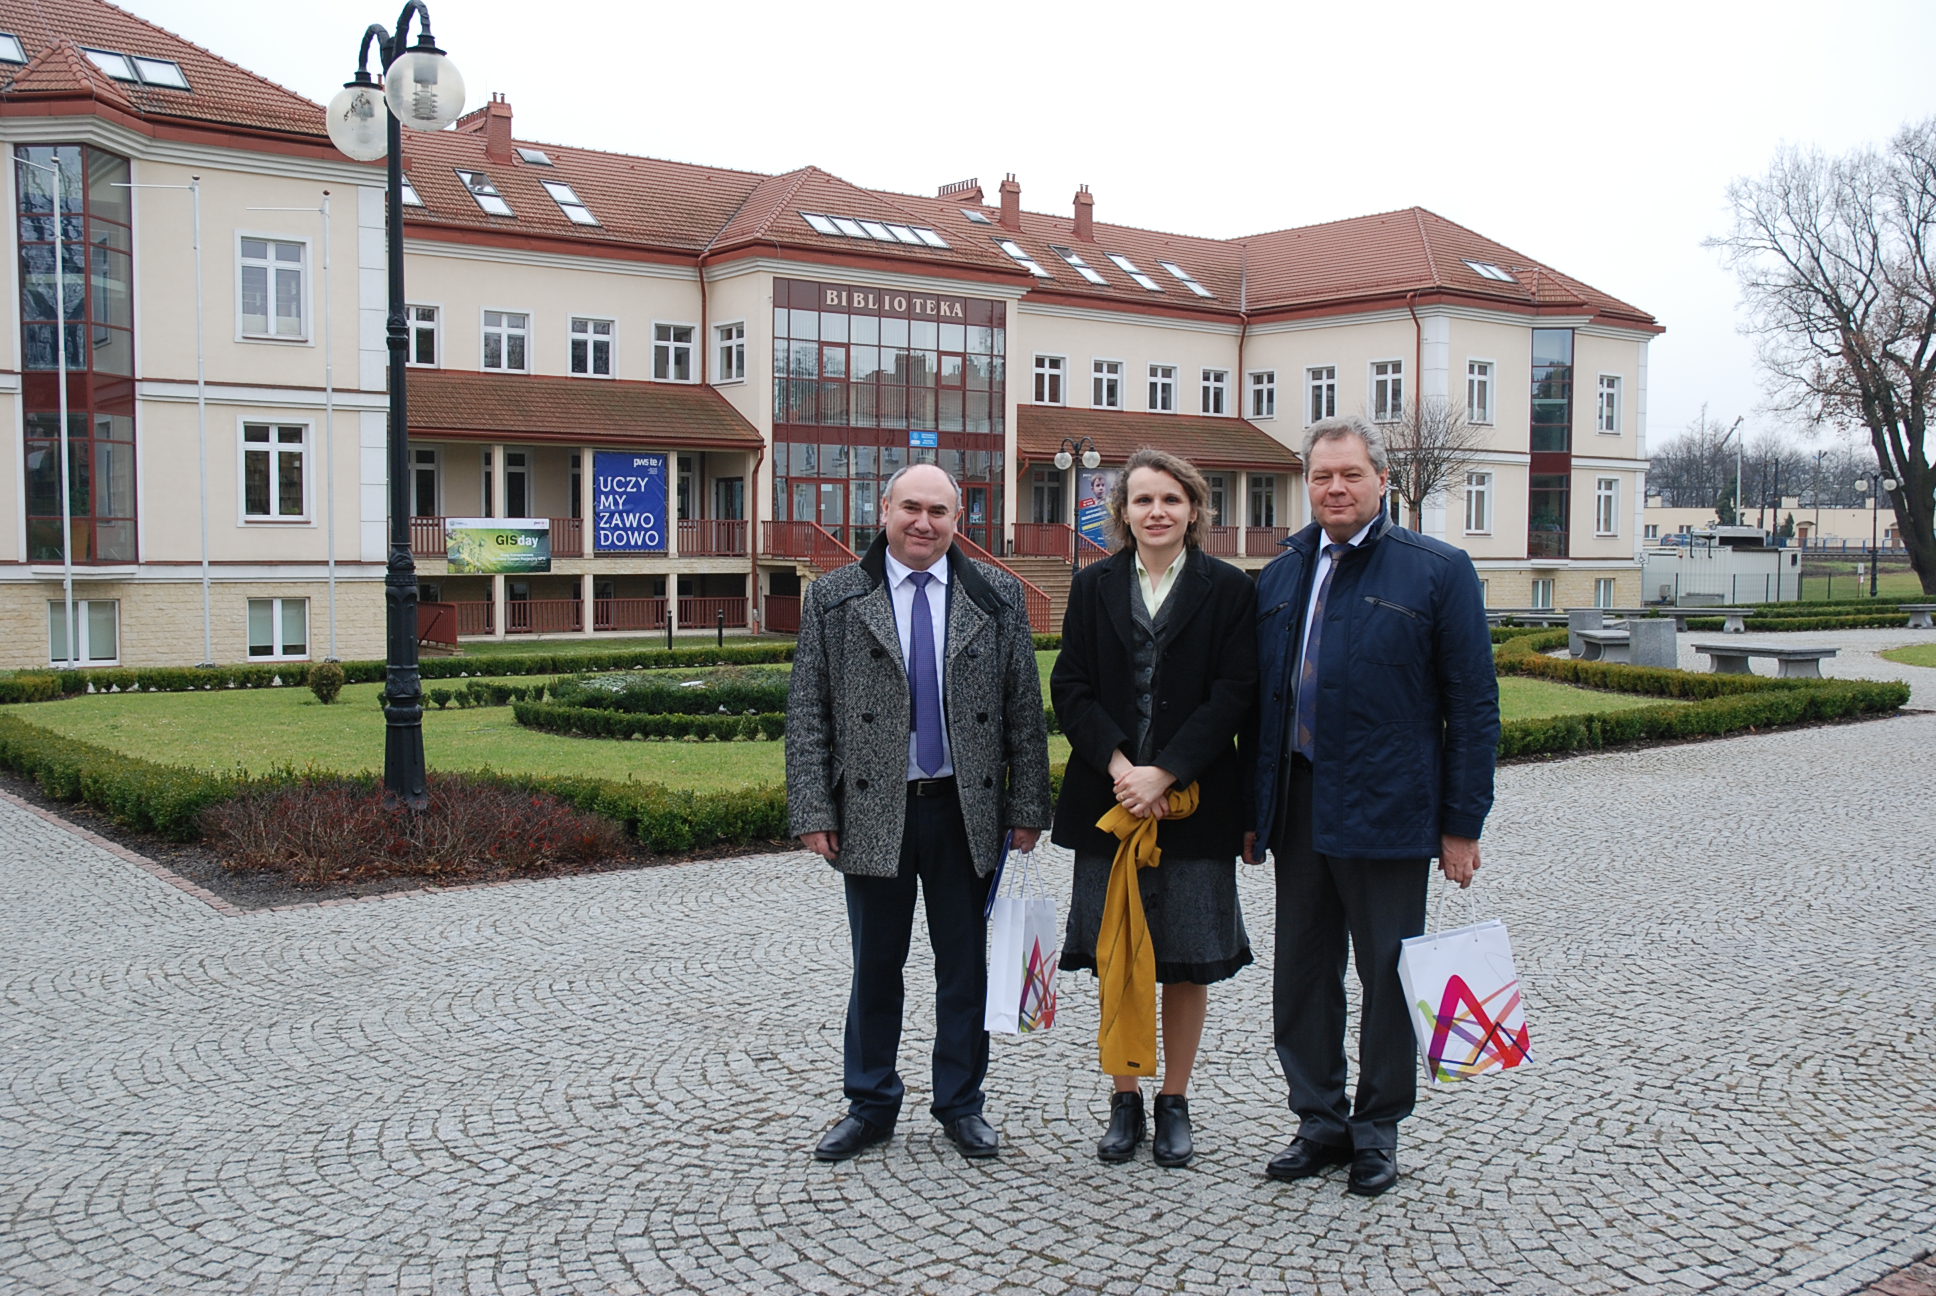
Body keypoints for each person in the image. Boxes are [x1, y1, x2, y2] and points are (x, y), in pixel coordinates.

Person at [1244, 414, 1500, 1197]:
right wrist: (1255, 810)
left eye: (1351, 474)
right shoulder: (1283, 572)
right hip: (1299, 803)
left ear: (1383, 480)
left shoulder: (1437, 570)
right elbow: (1262, 702)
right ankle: (1318, 1118)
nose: (1335, 488)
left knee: (1388, 974)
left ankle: (1377, 1125)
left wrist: (1462, 824)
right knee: (1302, 973)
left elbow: (1473, 705)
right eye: (1322, 476)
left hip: (1388, 804)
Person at [787, 462, 1054, 1163]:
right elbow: (808, 709)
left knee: (964, 968)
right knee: (876, 966)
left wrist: (1028, 805)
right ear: (884, 510)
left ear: (958, 520)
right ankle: (870, 1102)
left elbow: (1024, 708)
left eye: (938, 511)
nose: (923, 523)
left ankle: (961, 1103)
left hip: (966, 810)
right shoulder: (837, 596)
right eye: (911, 507)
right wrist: (812, 805)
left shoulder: (995, 594)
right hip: (873, 810)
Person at [1052, 447, 1257, 1168]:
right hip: (1109, 803)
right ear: (1123, 512)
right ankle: (1125, 1099)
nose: (1157, 511)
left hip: (1195, 806)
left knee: (1188, 959)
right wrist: (1122, 769)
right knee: (1117, 953)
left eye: (1171, 498)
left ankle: (1174, 1099)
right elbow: (1070, 687)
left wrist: (1165, 773)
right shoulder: (1093, 585)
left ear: (1194, 508)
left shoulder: (1228, 588)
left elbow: (1235, 693)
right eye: (1143, 500)